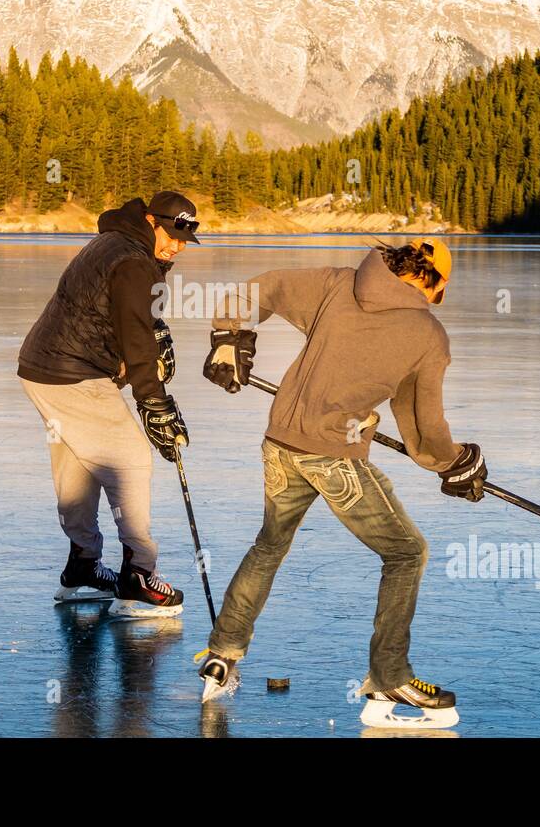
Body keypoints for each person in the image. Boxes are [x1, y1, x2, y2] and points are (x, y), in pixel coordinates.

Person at [194, 238, 486, 728]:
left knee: (269, 546)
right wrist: (454, 463)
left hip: (280, 442)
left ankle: (223, 654)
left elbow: (260, 289)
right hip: (331, 454)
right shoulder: (427, 335)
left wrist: (228, 336)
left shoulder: (339, 283)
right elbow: (423, 425)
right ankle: (390, 676)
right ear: (431, 283)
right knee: (406, 553)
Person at [18, 191, 201, 618]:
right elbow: (137, 340)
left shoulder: (116, 242)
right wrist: (155, 404)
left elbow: (118, 319)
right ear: (153, 222)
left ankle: (83, 564)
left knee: (80, 463)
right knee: (130, 459)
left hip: (42, 368)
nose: (175, 246)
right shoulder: (135, 262)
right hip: (73, 373)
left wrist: (147, 342)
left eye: (183, 240)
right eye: (171, 235)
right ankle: (138, 577)